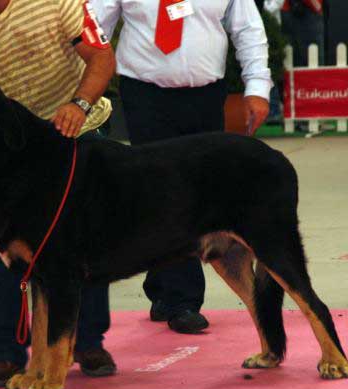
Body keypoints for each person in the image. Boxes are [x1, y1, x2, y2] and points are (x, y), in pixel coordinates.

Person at [0, 0, 117, 387]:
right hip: (7, 153)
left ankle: (88, 344)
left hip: (74, 132)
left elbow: (101, 58)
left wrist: (79, 103)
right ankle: (5, 355)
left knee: (84, 248)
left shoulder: (56, 3)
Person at [91, 0, 271, 334]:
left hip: (206, 96)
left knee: (200, 195)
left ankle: (162, 283)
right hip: (144, 94)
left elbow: (248, 28)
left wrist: (258, 87)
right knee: (162, 195)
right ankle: (182, 300)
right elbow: (92, 25)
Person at [281, 0, 325, 66]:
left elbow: (317, 6)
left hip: (308, 13)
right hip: (296, 12)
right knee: (296, 56)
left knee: (312, 57)